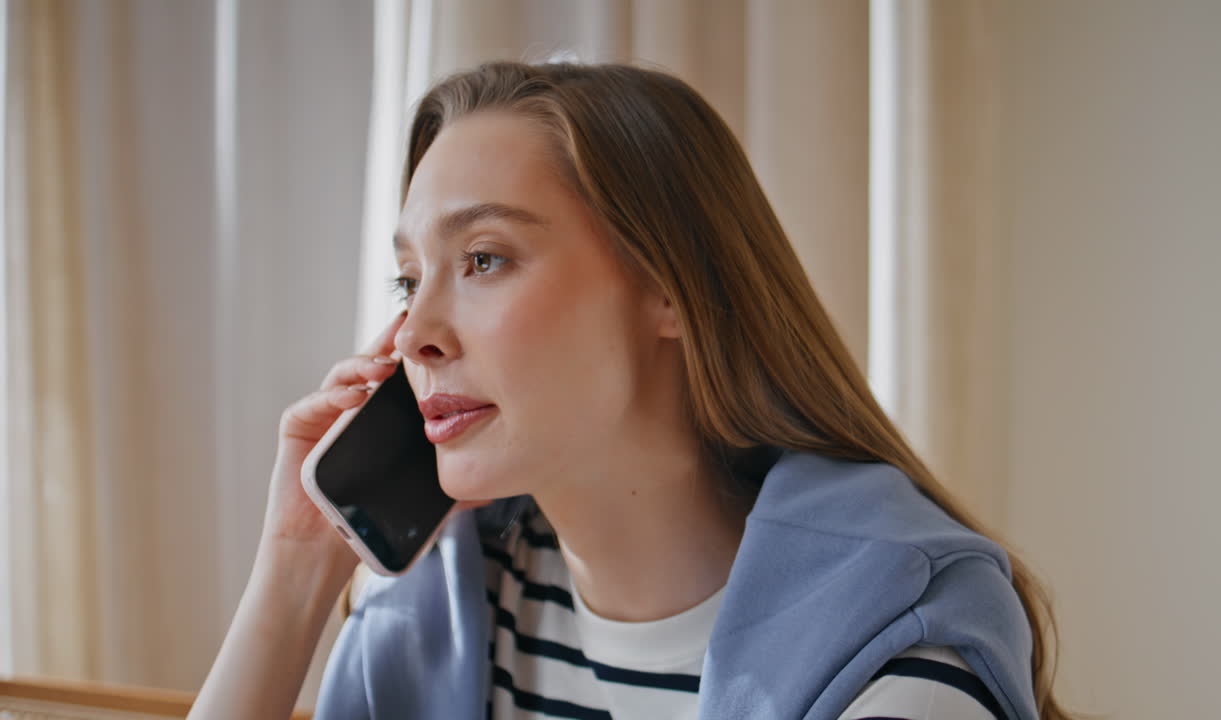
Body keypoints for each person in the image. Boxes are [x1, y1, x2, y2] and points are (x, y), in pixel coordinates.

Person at [190, 62, 1074, 720]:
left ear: (668, 288)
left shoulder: (894, 653)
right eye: (408, 280)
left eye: (484, 259)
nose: (416, 330)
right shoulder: (434, 608)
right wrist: (295, 573)